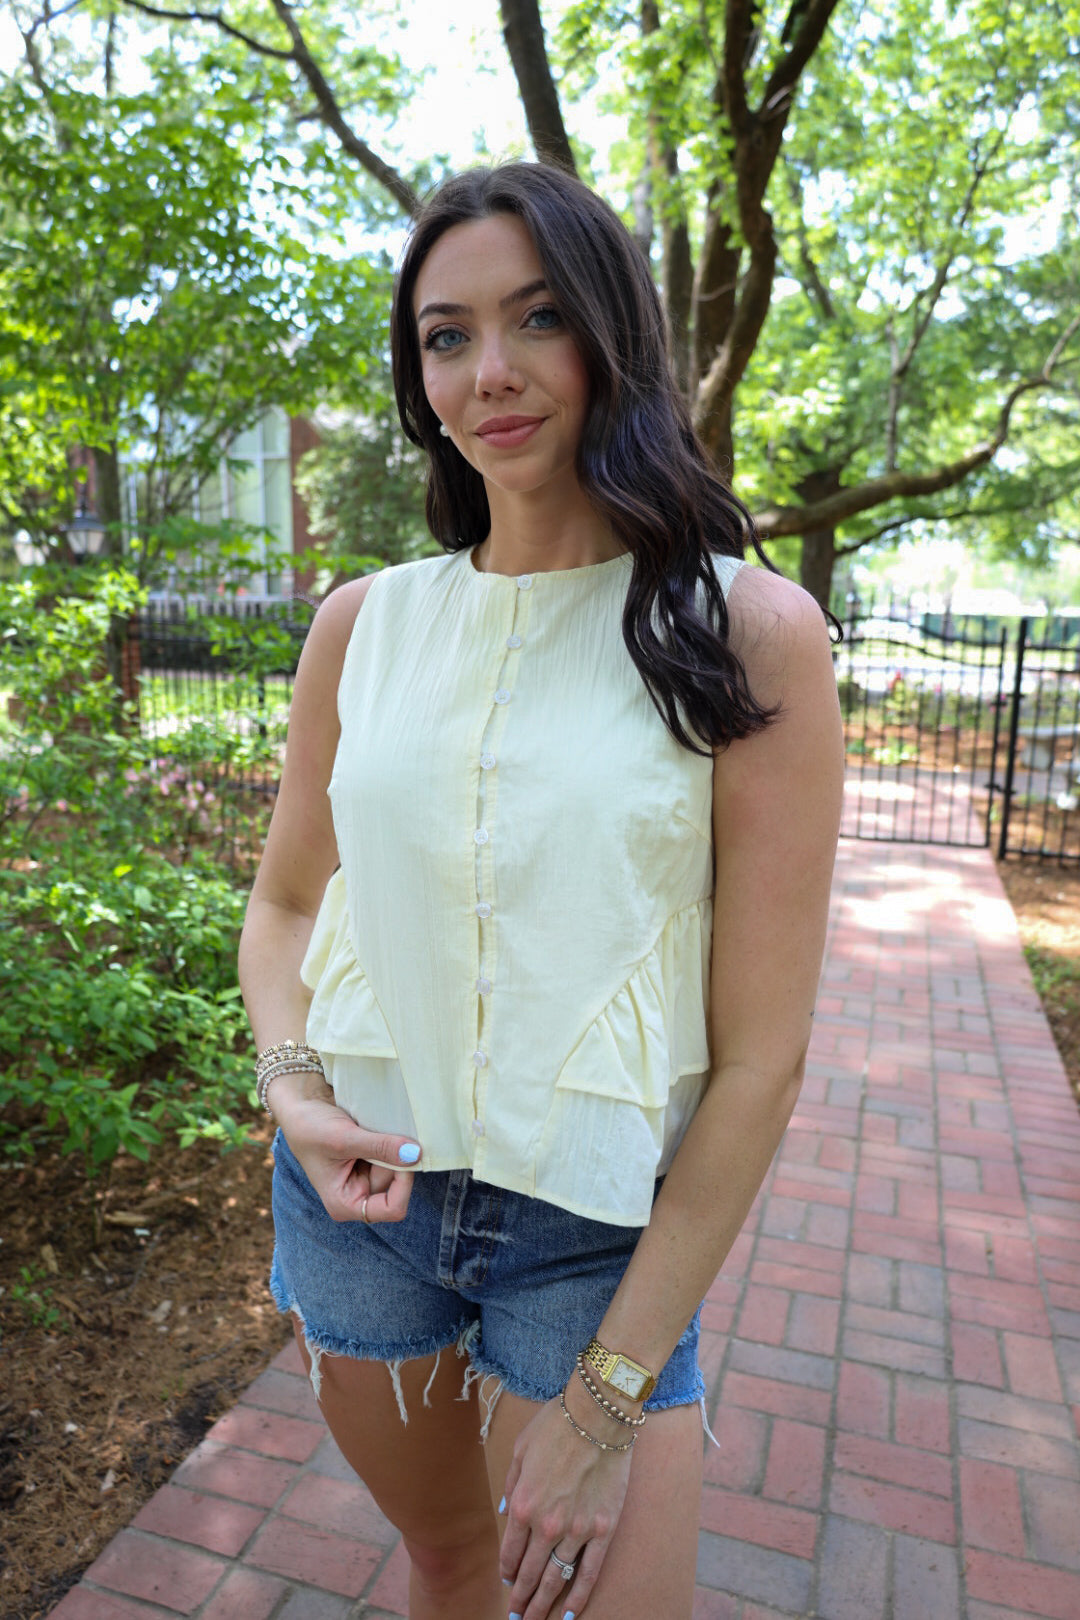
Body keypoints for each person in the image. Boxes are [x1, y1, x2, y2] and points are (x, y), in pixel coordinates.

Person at [238, 161, 844, 1620]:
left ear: (613, 336)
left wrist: (610, 1396)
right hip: (363, 1208)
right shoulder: (360, 625)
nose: (488, 373)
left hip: (597, 1243)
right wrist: (295, 1089)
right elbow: (285, 908)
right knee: (448, 1566)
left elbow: (759, 1062)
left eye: (538, 318)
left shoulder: (745, 631)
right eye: (445, 336)